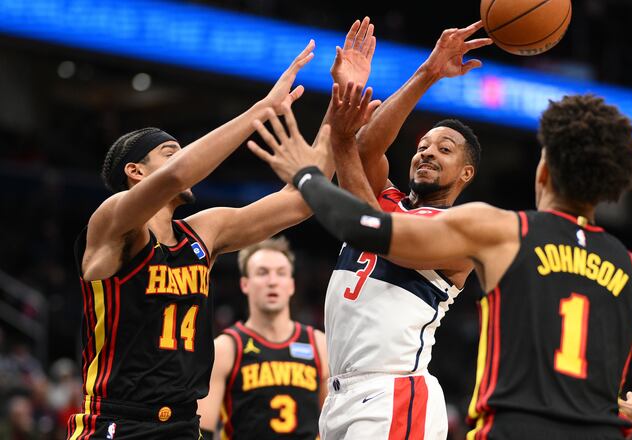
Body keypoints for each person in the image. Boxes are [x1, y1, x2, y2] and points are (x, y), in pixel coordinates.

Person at [250, 93, 632, 439]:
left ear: (543, 172)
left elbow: (365, 227)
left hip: (498, 424)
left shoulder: (503, 231)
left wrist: (306, 173)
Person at [67, 42, 333, 440]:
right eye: (170, 152)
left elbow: (300, 202)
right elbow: (177, 174)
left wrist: (339, 117)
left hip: (182, 423)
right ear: (136, 171)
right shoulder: (112, 220)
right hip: (116, 421)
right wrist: (262, 110)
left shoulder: (203, 232)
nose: (184, 159)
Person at [312, 19, 491, 439]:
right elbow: (364, 149)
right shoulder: (385, 200)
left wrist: (342, 142)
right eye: (422, 146)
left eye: (444, 149)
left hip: (394, 393)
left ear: (466, 173)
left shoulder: (460, 230)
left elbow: (373, 229)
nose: (427, 152)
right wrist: (429, 72)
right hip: (340, 395)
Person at [196, 237, 329, 439]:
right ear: (245, 284)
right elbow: (202, 431)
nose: (272, 281)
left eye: (281, 273)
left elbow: (332, 424)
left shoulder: (319, 344)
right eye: (262, 272)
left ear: (291, 285)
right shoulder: (226, 348)